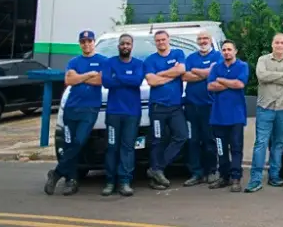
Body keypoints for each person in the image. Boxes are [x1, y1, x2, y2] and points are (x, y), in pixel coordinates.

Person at [44, 30, 105, 196]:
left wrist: (80, 77)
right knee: (70, 144)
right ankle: (71, 180)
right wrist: (88, 75)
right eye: (83, 41)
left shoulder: (102, 60)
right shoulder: (73, 61)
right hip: (71, 108)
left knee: (79, 141)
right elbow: (69, 81)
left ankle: (56, 173)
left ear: (94, 42)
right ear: (80, 43)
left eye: (89, 41)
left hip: (90, 109)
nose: (86, 44)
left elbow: (100, 80)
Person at [245, 33, 283, 192]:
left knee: (278, 143)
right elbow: (261, 75)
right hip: (265, 108)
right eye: (277, 42)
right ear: (272, 44)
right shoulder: (263, 60)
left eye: (282, 42)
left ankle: (274, 176)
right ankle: (255, 179)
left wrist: (272, 77)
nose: (279, 45)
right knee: (260, 143)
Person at [101, 33, 145, 197]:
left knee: (128, 148)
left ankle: (124, 182)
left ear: (131, 46)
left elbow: (137, 81)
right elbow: (106, 81)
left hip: (132, 113)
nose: (125, 46)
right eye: (122, 44)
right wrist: (127, 77)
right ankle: (110, 182)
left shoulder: (139, 63)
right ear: (118, 46)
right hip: (113, 113)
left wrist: (118, 76)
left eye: (128, 44)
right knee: (112, 147)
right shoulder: (109, 62)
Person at [143, 30, 187, 190]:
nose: (161, 42)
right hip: (157, 108)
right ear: (155, 42)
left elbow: (181, 70)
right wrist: (171, 75)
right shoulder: (149, 60)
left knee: (182, 136)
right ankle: (156, 179)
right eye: (158, 40)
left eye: (163, 39)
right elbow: (152, 81)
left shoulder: (178, 53)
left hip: (175, 107)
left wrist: (160, 74)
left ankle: (157, 169)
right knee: (157, 141)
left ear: (168, 40)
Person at [207, 40, 249, 193]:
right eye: (224, 50)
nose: (226, 52)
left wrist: (221, 80)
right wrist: (230, 83)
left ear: (235, 51)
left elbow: (240, 84)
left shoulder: (242, 66)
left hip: (236, 117)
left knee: (236, 148)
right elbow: (210, 86)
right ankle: (224, 177)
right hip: (218, 117)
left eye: (229, 49)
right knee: (221, 149)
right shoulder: (216, 67)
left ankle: (236, 178)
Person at [182, 30, 222, 187]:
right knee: (193, 140)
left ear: (211, 40)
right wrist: (206, 73)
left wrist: (196, 71)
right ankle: (196, 173)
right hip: (191, 105)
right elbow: (185, 76)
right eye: (200, 39)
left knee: (209, 140)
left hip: (209, 105)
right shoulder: (191, 57)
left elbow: (215, 73)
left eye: (205, 38)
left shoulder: (217, 56)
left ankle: (212, 171)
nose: (203, 41)